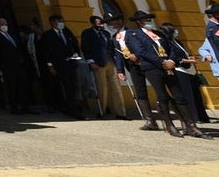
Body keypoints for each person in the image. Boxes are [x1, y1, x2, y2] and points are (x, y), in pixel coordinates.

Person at [126, 10, 205, 138]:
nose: (149, 22)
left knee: (179, 95)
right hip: (152, 67)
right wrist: (161, 62)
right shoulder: (132, 34)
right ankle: (169, 125)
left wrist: (171, 60)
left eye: (149, 19)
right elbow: (141, 51)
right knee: (162, 96)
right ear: (139, 22)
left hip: (169, 66)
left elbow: (171, 47)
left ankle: (191, 126)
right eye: (146, 20)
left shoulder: (158, 33)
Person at [160, 22, 211, 131]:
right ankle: (192, 117)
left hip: (189, 69)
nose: (176, 31)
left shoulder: (177, 42)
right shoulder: (168, 43)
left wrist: (189, 58)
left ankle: (200, 116)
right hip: (180, 70)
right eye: (173, 30)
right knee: (187, 95)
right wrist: (187, 60)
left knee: (195, 94)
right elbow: (173, 57)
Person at [80, 15, 127, 120]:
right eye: (98, 22)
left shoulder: (106, 33)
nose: (101, 24)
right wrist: (90, 61)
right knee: (102, 88)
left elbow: (111, 47)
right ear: (92, 23)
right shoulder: (87, 33)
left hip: (110, 61)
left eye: (101, 22)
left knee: (116, 87)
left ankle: (120, 112)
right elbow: (85, 47)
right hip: (98, 62)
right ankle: (102, 110)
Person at [38, 14, 85, 119]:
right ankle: (70, 108)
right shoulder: (48, 35)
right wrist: (50, 66)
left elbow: (75, 44)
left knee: (75, 85)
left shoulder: (67, 32)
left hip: (72, 63)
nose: (61, 23)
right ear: (53, 23)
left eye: (62, 21)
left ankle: (76, 105)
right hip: (59, 65)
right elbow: (45, 52)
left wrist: (76, 53)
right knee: (66, 87)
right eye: (59, 21)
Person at [0, 18, 30, 114]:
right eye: (1, 23)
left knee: (22, 85)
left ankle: (25, 106)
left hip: (19, 65)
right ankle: (14, 107)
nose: (4, 25)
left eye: (5, 23)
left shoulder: (12, 35)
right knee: (11, 87)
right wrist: (0, 66)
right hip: (7, 66)